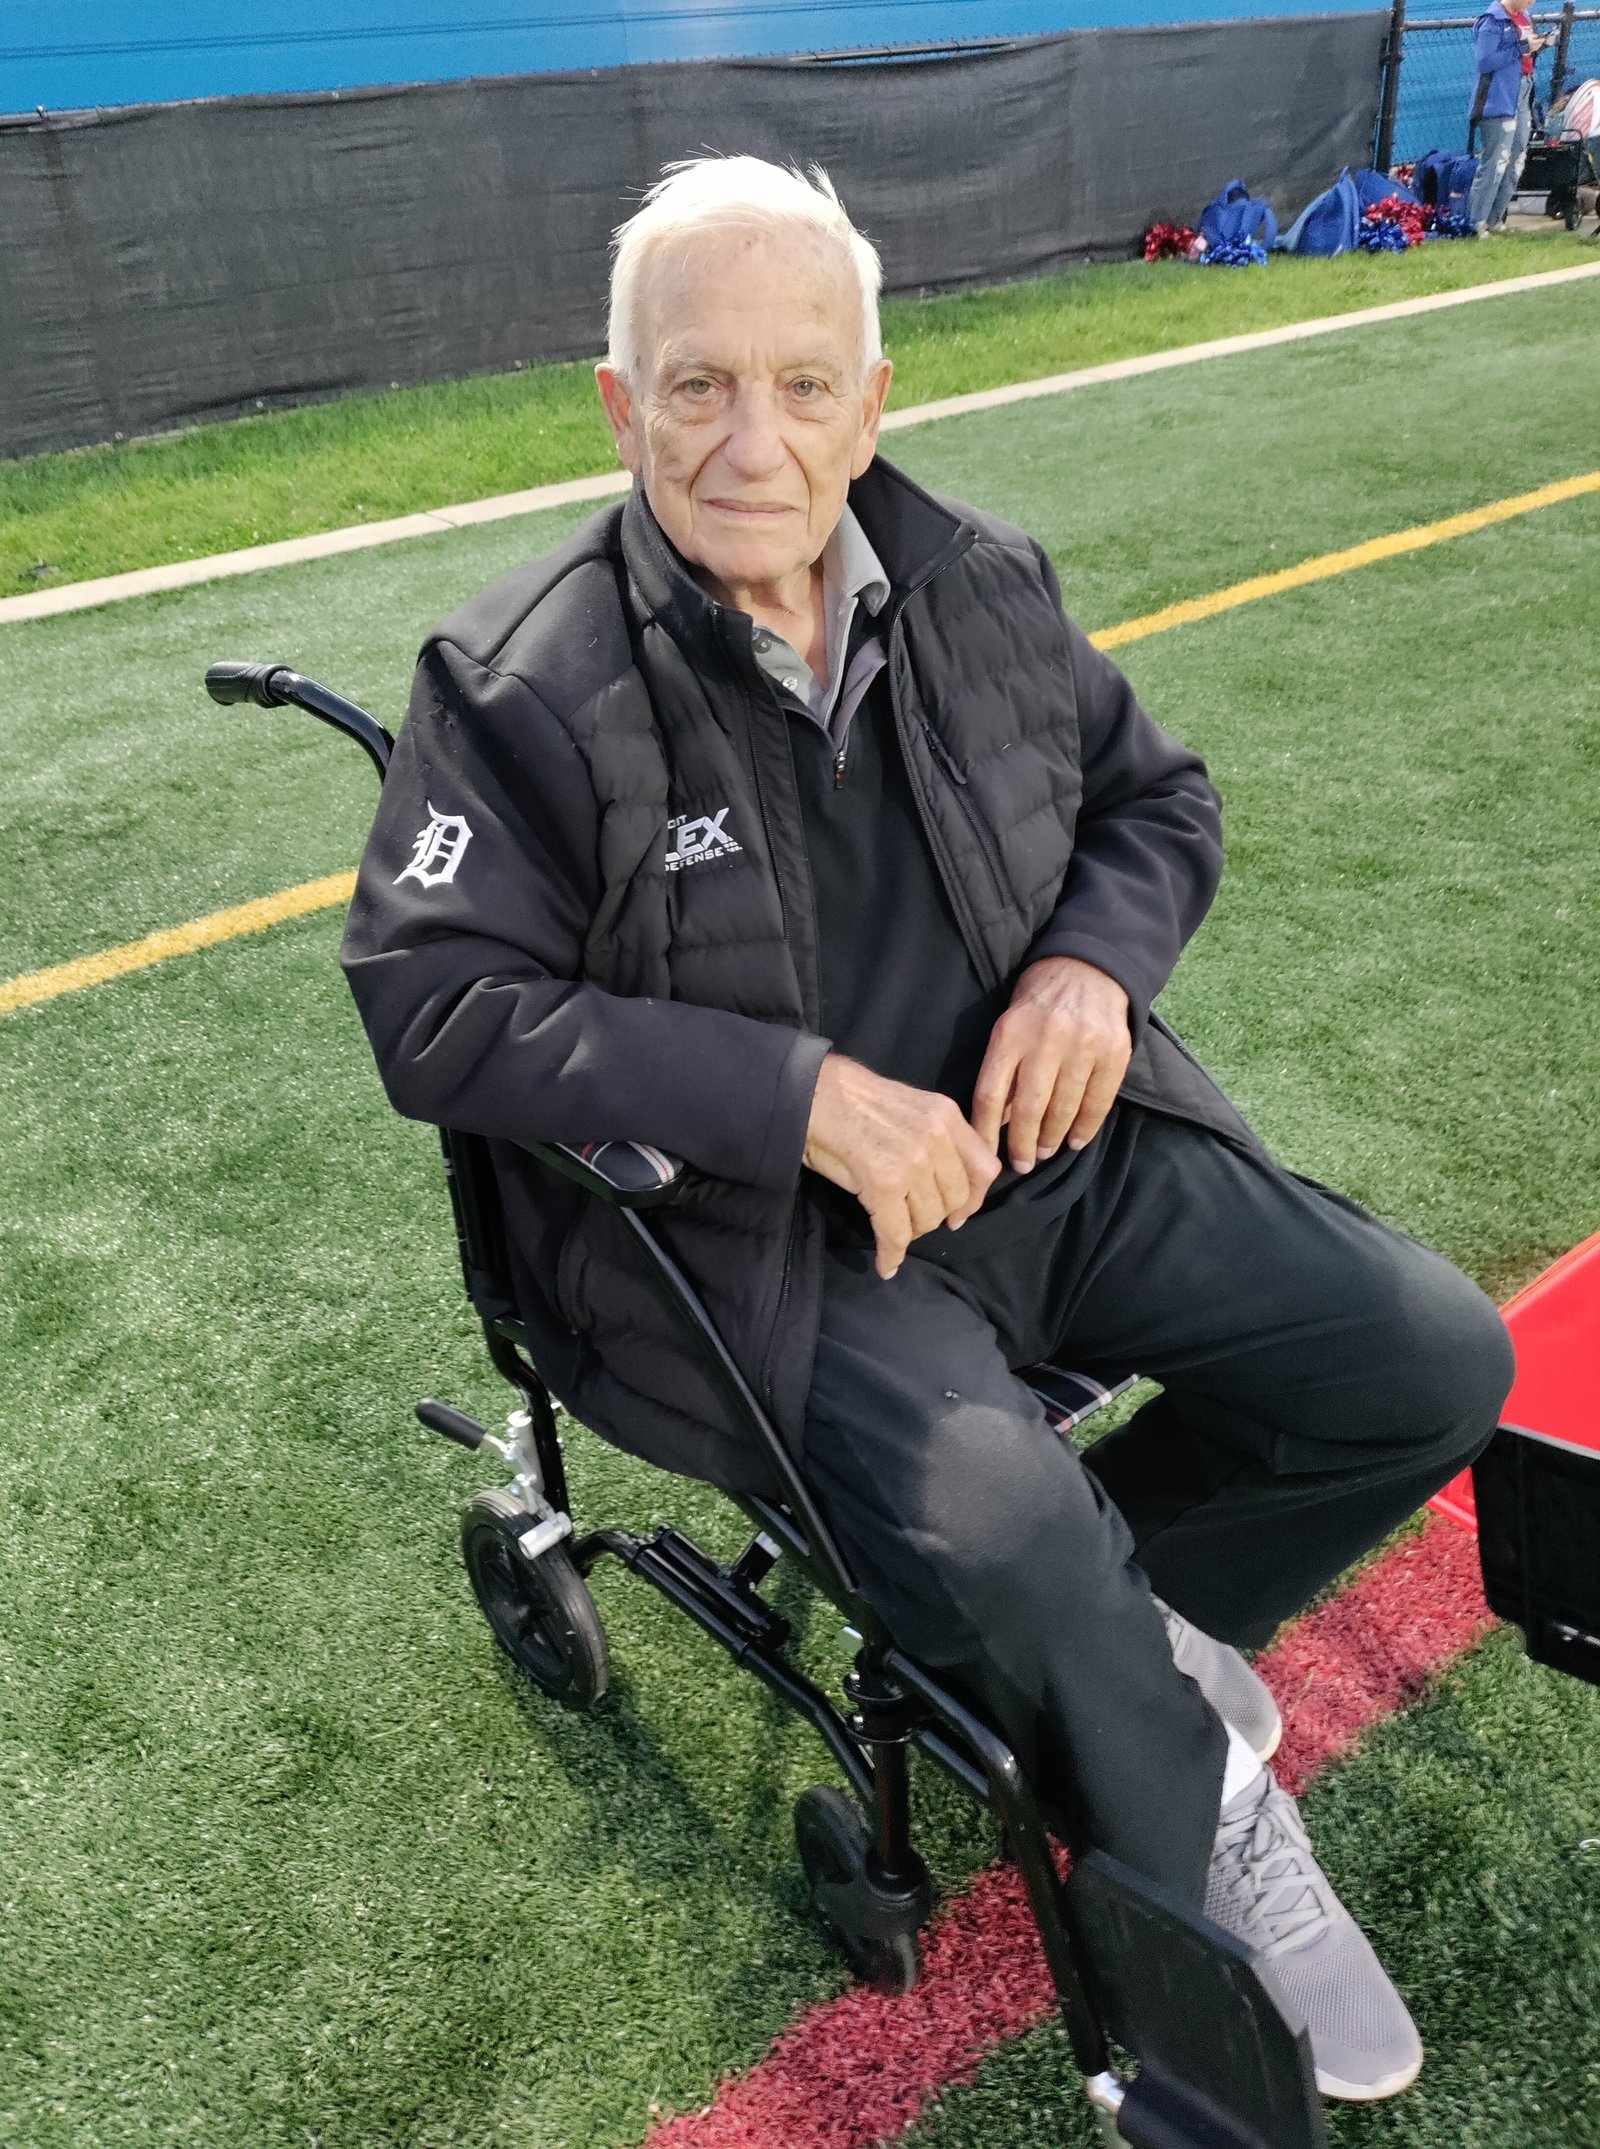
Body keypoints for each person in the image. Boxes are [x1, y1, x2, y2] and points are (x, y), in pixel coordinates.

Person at [341, 157, 1514, 2105]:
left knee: (1421, 1361)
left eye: (802, 383)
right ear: (622, 407)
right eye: (694, 385)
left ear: (868, 400)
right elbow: (434, 1001)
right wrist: (791, 1099)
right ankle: (1184, 1815)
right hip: (765, 1249)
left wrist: (1084, 972)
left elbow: (1159, 805)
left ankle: (1088, 1657)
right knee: (1002, 1524)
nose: (750, 438)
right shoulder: (518, 683)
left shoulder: (978, 581)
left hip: (1053, 1146)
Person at [1469, 0, 1554, 232]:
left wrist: (1541, 44)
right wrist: (1522, 48)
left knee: (1516, 158)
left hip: (1523, 93)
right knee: (1495, 161)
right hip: (1499, 99)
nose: (1531, 3)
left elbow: (1524, 54)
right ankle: (1476, 222)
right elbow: (1485, 62)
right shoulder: (1492, 21)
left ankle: (1496, 220)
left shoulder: (1526, 17)